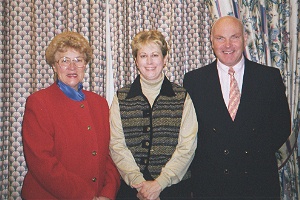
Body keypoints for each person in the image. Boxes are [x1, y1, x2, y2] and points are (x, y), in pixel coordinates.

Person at [183, 16, 291, 199]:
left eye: (234, 37)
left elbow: (282, 127)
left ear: (245, 39)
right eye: (220, 38)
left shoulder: (269, 78)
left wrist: (252, 156)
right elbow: (190, 134)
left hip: (258, 184)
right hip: (211, 186)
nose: (228, 45)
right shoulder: (194, 81)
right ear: (211, 40)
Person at [21, 31, 120, 199]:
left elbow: (110, 155)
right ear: (54, 65)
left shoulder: (100, 104)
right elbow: (42, 163)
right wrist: (86, 197)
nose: (72, 67)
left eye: (78, 60)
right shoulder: (38, 102)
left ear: (85, 64)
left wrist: (107, 193)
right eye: (65, 60)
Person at [109, 30, 198, 200]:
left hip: (174, 191)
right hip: (133, 191)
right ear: (136, 61)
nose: (149, 62)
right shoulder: (121, 97)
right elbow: (117, 145)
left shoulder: (181, 96)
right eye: (143, 56)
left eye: (155, 55)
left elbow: (187, 146)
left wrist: (160, 183)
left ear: (165, 59)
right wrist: (140, 184)